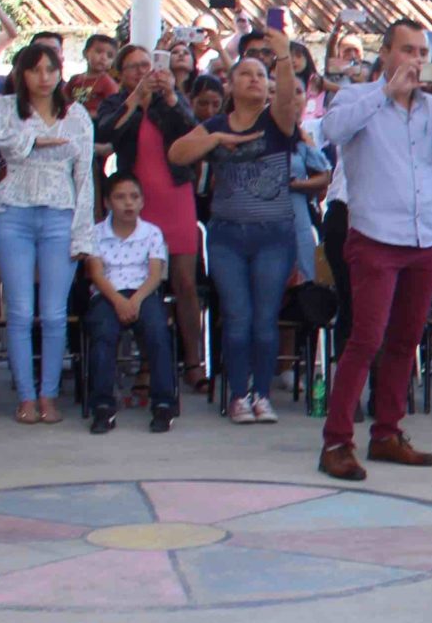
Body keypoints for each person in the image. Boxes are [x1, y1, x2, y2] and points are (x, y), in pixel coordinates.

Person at [316, 23, 432, 478]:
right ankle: (336, 441)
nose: (414, 58)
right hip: (374, 236)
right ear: (385, 52)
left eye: (421, 51)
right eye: (406, 49)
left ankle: (387, 433)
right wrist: (385, 93)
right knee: (365, 338)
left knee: (405, 340)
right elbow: (332, 129)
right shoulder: (356, 98)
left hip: (425, 239)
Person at [168, 28, 305, 423]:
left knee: (264, 318)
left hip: (274, 237)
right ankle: (238, 394)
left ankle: (262, 394)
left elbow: (286, 95)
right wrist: (215, 141)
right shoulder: (214, 124)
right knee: (237, 315)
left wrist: (280, 56)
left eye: (261, 76)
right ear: (230, 82)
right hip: (227, 236)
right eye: (247, 74)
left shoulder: (278, 122)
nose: (255, 80)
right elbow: (177, 153)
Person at [0, 42, 95, 424]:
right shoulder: (5, 108)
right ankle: (25, 395)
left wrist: (83, 234)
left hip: (59, 215)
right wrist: (27, 141)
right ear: (21, 74)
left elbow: (85, 179)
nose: (44, 77)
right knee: (19, 311)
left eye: (50, 69)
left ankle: (49, 394)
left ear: (59, 73)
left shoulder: (77, 115)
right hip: (13, 212)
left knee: (53, 313)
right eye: (35, 69)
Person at [95, 44, 207, 394]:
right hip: (137, 202)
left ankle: (194, 362)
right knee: (144, 284)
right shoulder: (117, 103)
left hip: (176, 198)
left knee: (185, 284)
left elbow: (192, 133)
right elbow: (107, 132)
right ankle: (147, 364)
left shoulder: (172, 100)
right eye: (133, 68)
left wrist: (171, 97)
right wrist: (136, 100)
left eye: (147, 65)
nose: (142, 72)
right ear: (121, 74)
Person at [80, 173, 179, 434]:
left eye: (134, 197)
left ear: (143, 202)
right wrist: (118, 301)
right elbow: (96, 274)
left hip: (143, 293)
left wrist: (134, 301)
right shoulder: (96, 233)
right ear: (107, 202)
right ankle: (102, 405)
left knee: (158, 332)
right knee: (103, 334)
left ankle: (163, 403)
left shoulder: (152, 233)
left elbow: (155, 275)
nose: (128, 204)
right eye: (120, 197)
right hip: (108, 294)